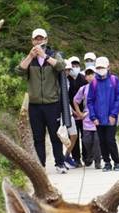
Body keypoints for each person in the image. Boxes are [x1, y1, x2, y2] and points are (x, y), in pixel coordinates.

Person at [17, 28, 68, 173]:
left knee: (55, 135)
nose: (39, 41)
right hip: (35, 105)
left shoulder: (54, 54)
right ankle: (41, 166)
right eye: (36, 39)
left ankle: (60, 163)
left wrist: (44, 56)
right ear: (32, 41)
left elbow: (61, 66)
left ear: (46, 40)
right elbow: (19, 70)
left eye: (41, 38)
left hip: (52, 103)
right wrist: (30, 56)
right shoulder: (29, 58)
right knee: (38, 137)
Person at [87, 56, 119, 171]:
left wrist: (114, 114)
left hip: (110, 118)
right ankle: (107, 162)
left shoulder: (114, 80)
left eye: (102, 67)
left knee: (110, 140)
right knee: (101, 141)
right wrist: (93, 117)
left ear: (108, 67)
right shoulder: (93, 83)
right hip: (98, 119)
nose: (100, 69)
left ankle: (117, 161)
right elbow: (90, 101)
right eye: (98, 67)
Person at [71, 65, 102, 167]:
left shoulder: (102, 88)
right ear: (85, 77)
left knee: (97, 141)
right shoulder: (83, 89)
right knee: (86, 141)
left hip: (99, 119)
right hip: (87, 119)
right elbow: (75, 100)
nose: (90, 77)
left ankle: (98, 162)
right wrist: (79, 113)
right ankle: (91, 156)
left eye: (92, 74)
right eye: (87, 74)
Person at [63, 57, 85, 167]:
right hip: (68, 113)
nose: (74, 68)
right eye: (73, 66)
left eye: (77, 65)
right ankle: (73, 158)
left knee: (81, 135)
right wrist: (73, 111)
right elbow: (65, 98)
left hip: (82, 113)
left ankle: (85, 156)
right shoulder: (64, 80)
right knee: (71, 135)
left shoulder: (83, 78)